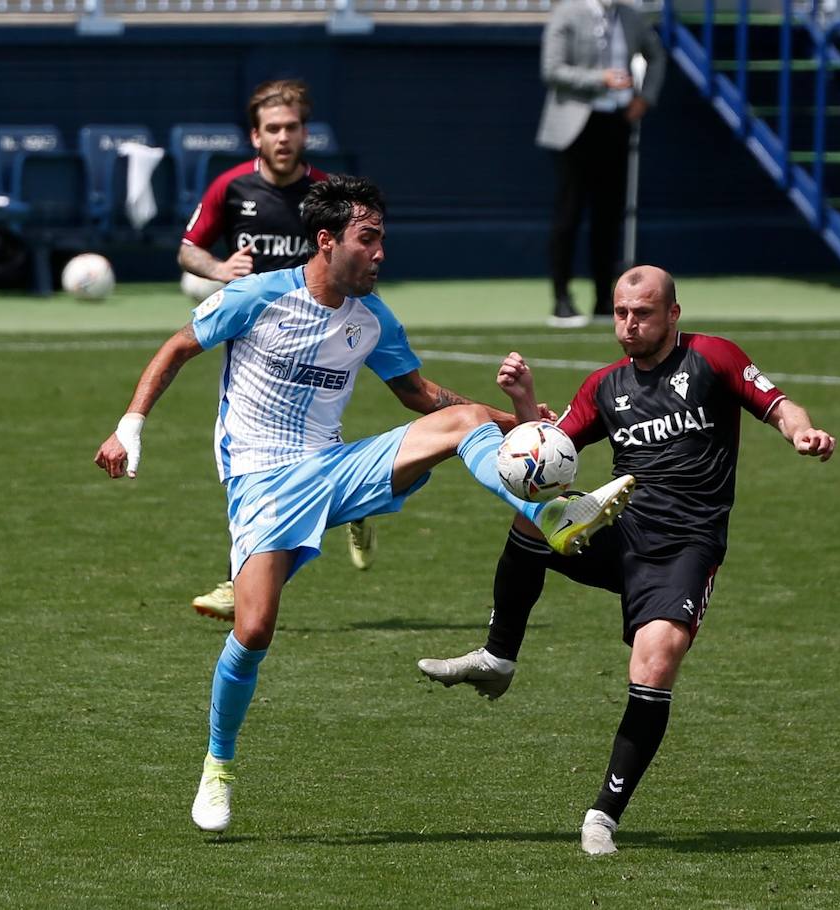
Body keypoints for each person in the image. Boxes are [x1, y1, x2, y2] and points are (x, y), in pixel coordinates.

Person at [93, 175, 637, 834]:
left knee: (463, 422)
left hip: (340, 468)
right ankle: (218, 764)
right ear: (327, 242)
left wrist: (518, 424)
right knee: (255, 627)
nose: (380, 254)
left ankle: (549, 515)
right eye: (368, 239)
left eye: (382, 239)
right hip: (263, 487)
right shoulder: (258, 297)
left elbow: (420, 395)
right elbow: (179, 347)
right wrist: (131, 425)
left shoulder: (372, 319)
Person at [418, 266, 836, 855]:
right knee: (531, 522)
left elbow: (779, 404)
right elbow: (547, 448)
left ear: (673, 314)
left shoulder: (714, 358)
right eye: (620, 313)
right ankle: (499, 656)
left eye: (642, 313)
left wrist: (804, 432)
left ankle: (602, 817)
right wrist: (522, 401)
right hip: (620, 526)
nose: (629, 325)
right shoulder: (604, 386)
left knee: (655, 662)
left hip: (686, 548)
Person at [176, 78, 375, 620]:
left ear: (305, 132)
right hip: (256, 339)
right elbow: (188, 249)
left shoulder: (328, 196)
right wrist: (220, 270)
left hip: (324, 329)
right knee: (246, 451)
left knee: (305, 448)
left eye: (292, 128)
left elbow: (359, 251)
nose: (284, 138)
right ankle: (254, 566)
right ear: (255, 137)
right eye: (273, 129)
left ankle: (348, 502)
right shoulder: (231, 188)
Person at [538, 0, 666, 328]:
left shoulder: (631, 16)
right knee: (569, 213)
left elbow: (656, 55)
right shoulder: (567, 13)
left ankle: (602, 298)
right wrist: (601, 78)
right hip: (575, 126)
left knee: (608, 215)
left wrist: (645, 98)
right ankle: (561, 299)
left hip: (615, 122)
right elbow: (552, 70)